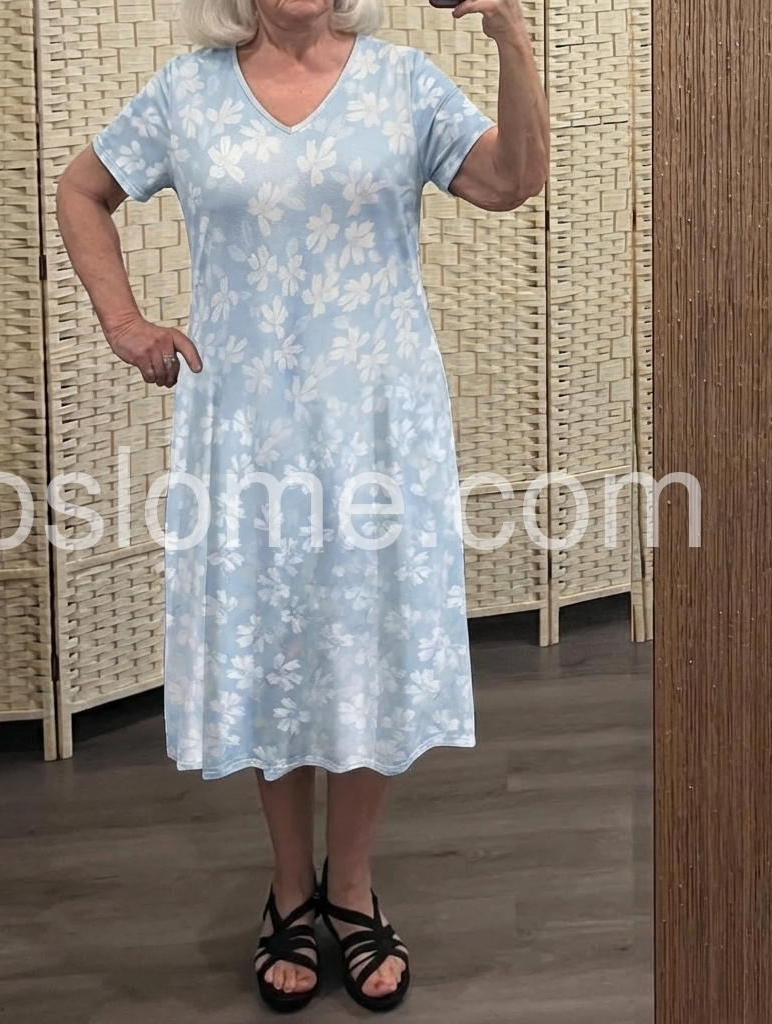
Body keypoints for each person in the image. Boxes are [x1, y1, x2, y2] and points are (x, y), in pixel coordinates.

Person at [56, 0, 548, 1011]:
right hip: (244, 426)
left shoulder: (403, 83)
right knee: (269, 641)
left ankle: (352, 886)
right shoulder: (188, 91)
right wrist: (124, 322)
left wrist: (512, 38)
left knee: (360, 640)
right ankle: (289, 888)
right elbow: (81, 189)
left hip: (377, 424)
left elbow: (511, 181)